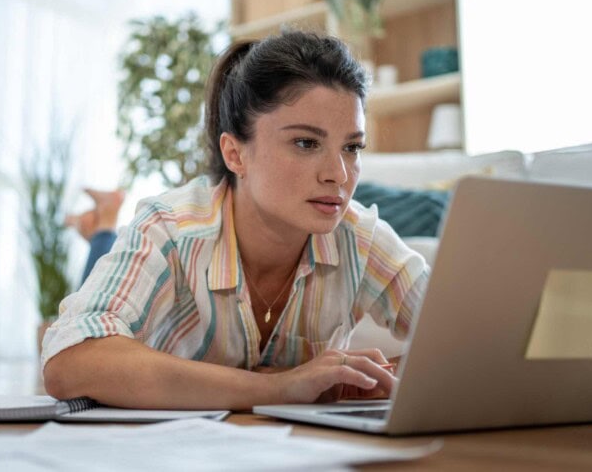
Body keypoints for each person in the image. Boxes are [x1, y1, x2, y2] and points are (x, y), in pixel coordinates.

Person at [42, 30, 429, 410]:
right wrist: (277, 387)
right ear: (235, 154)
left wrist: (352, 381)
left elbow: (475, 341)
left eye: (352, 147)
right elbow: (69, 360)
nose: (339, 175)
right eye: (306, 143)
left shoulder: (359, 238)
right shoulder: (171, 229)